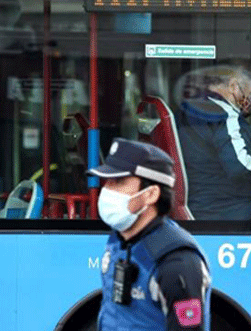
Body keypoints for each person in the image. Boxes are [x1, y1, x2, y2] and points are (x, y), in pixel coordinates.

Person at [87, 138, 211, 331]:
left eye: (118, 181)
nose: (107, 190)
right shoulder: (118, 240)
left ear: (151, 194)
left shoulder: (176, 262)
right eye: (107, 181)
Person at [175, 63, 251, 220]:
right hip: (223, 208)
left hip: (197, 203)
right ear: (233, 86)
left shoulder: (189, 109)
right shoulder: (227, 116)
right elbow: (242, 166)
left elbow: (217, 155)